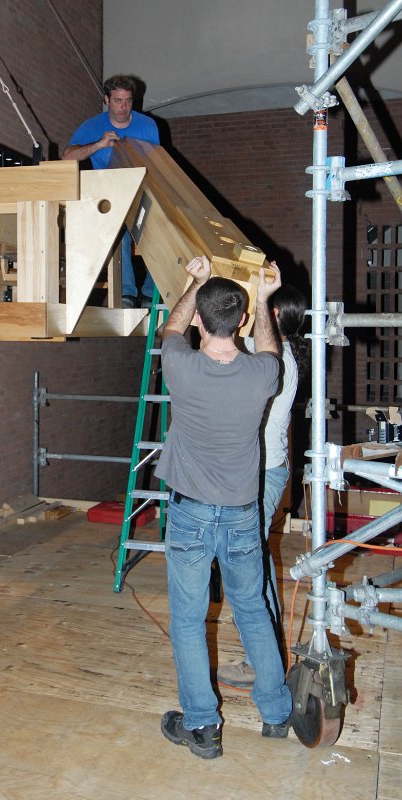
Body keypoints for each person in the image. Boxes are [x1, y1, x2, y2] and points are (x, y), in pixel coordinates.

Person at [155, 255, 292, 760]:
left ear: (198, 320)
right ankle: (277, 713)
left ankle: (202, 728)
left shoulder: (180, 364)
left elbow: (171, 325)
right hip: (241, 514)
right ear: (241, 320)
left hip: (190, 514)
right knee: (253, 611)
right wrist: (266, 299)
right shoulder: (262, 374)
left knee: (190, 620)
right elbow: (269, 350)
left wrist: (193, 279)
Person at [217, 285, 309, 689]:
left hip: (259, 473)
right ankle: (269, 654)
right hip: (264, 470)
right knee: (255, 564)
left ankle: (262, 663)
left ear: (272, 318)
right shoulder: (277, 355)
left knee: (246, 571)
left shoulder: (271, 359)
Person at [63, 74, 159, 309]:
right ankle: (126, 294)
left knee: (159, 233)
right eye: (118, 101)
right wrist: (99, 144)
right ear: (106, 100)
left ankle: (149, 294)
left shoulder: (147, 126)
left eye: (128, 101)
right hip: (109, 196)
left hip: (141, 191)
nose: (124, 107)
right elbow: (67, 157)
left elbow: (158, 164)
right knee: (120, 237)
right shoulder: (92, 126)